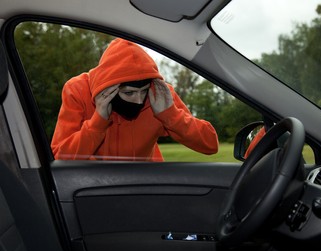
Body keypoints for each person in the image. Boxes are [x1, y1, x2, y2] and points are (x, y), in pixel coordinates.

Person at [51, 38, 218, 161]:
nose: (139, 101)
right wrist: (98, 122)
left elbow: (210, 145)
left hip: (144, 186)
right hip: (94, 187)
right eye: (129, 93)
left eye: (143, 91)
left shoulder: (160, 95)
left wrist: (170, 114)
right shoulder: (78, 91)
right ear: (110, 88)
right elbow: (61, 157)